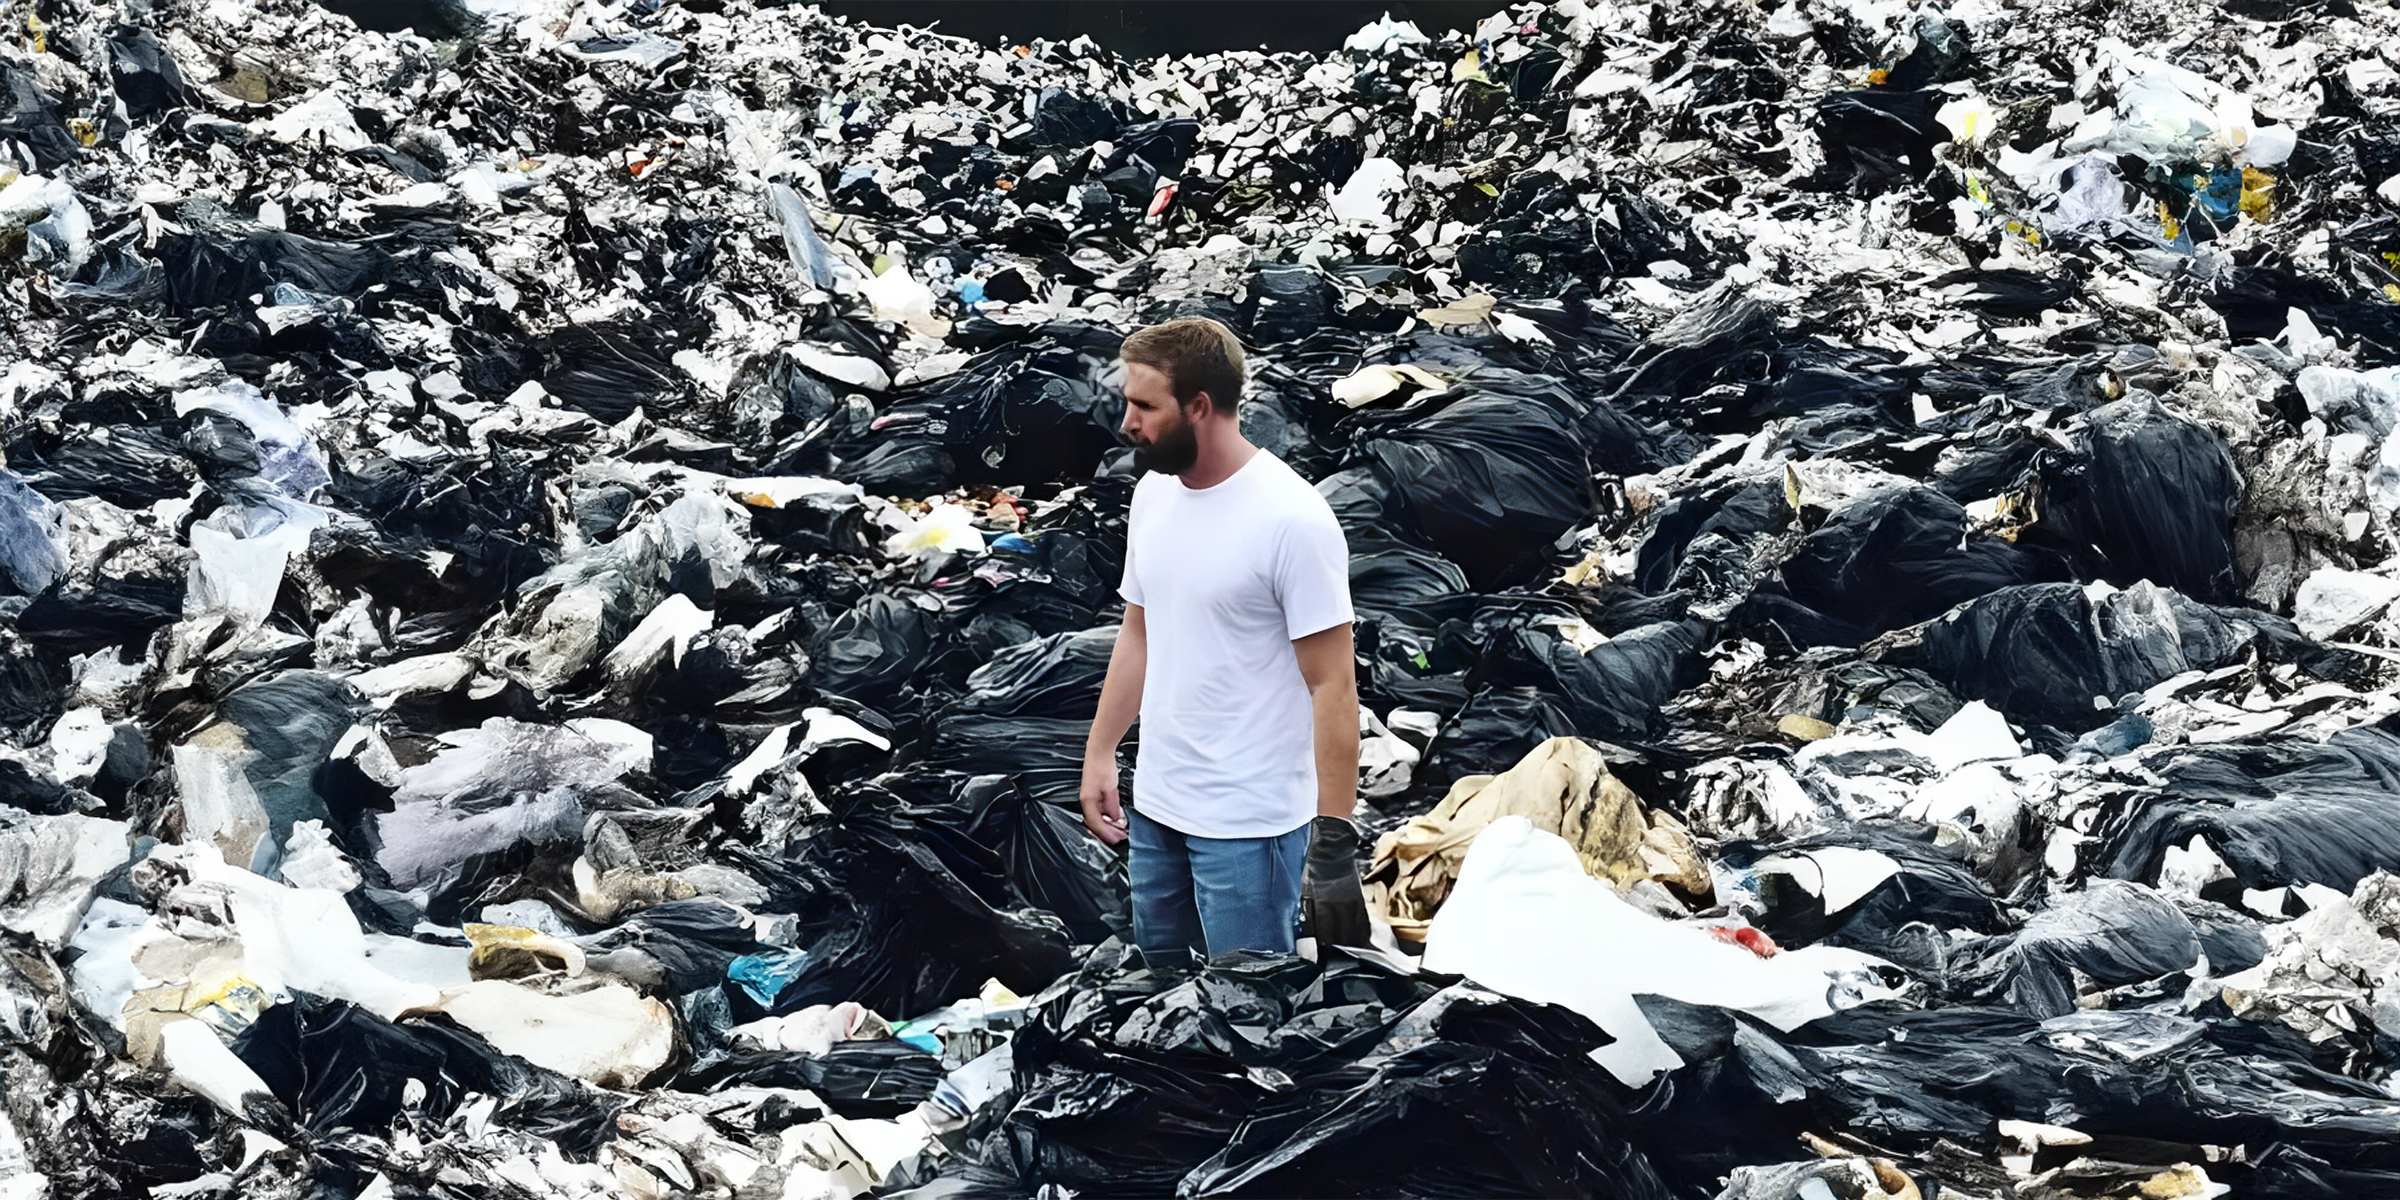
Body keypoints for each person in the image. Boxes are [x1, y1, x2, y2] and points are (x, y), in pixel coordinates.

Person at [1079, 316, 1372, 962]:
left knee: (1247, 1017)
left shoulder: (1292, 521)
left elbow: (1334, 686)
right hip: (1157, 809)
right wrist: (1102, 752)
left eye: (1144, 406)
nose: (1128, 423)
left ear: (1200, 408)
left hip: (1249, 829)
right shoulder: (1154, 496)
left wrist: (1331, 841)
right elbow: (1139, 633)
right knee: (1166, 1003)